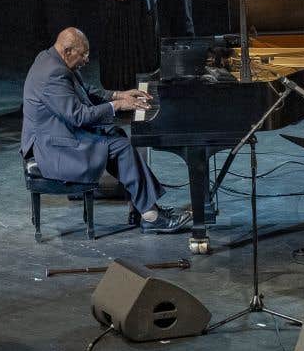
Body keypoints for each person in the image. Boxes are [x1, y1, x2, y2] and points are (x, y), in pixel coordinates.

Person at [21, 28, 191, 233]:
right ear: (67, 51)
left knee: (116, 137)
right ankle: (151, 215)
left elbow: (87, 92)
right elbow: (79, 116)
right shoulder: (53, 75)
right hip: (52, 148)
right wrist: (118, 106)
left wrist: (119, 95)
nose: (86, 59)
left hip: (59, 134)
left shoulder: (52, 58)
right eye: (82, 54)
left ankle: (146, 208)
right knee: (119, 146)